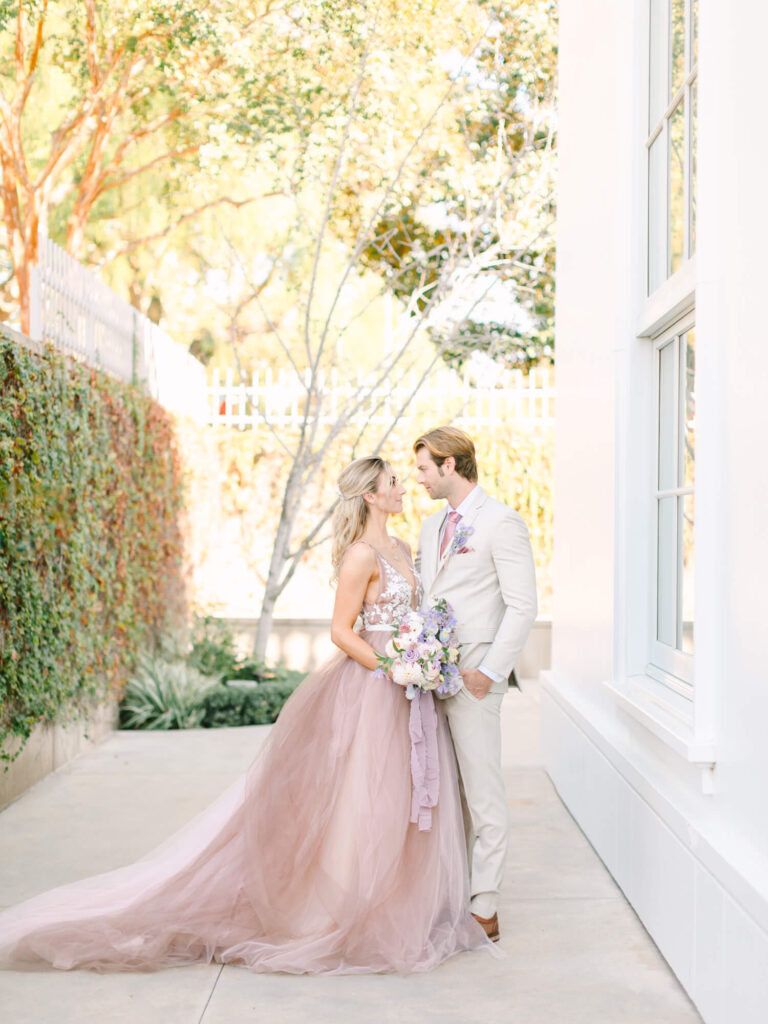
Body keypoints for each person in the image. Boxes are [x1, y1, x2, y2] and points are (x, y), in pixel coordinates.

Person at [0, 456, 495, 975]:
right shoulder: (361, 556)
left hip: (408, 691)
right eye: (393, 482)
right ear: (370, 496)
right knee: (362, 797)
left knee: (403, 796)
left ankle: (398, 902)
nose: (403, 487)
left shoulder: (403, 546)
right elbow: (342, 632)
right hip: (374, 688)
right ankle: (341, 911)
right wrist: (395, 666)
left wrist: (424, 654)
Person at [413, 427, 538, 943]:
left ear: (450, 465)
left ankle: (484, 905)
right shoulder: (429, 525)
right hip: (429, 678)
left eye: (424, 467)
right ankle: (447, 893)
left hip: (474, 678)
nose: (417, 478)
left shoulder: (501, 522)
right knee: (442, 793)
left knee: (484, 794)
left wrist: (488, 673)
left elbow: (524, 605)